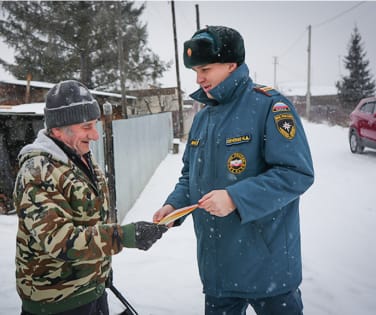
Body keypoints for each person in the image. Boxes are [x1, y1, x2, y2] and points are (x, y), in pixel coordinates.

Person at [153, 26, 314, 315]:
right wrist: (173, 205)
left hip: (269, 268)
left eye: (205, 68)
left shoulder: (269, 106)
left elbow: (296, 173)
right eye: (195, 71)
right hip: (218, 269)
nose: (199, 78)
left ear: (232, 65)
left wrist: (235, 198)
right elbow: (190, 175)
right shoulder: (203, 118)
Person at [13, 80, 168, 315]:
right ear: (57, 129)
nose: (95, 135)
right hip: (58, 303)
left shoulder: (80, 155)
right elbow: (60, 240)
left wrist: (102, 270)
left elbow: (93, 217)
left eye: (95, 125)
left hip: (93, 290)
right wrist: (125, 236)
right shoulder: (38, 171)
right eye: (87, 127)